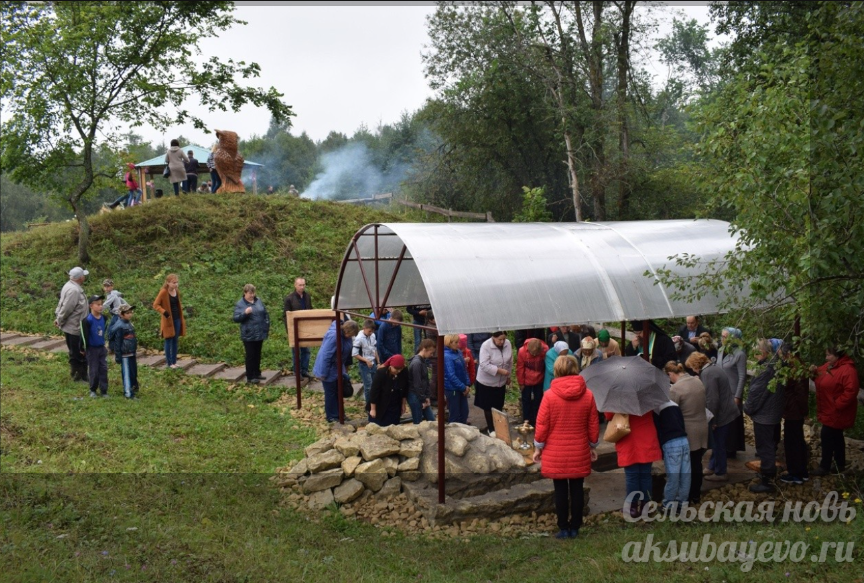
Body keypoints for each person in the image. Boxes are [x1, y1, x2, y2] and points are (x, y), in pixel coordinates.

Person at [533, 355, 599, 539]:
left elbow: (542, 425)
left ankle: (563, 527)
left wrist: (538, 447)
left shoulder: (549, 396)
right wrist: (593, 445)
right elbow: (593, 424)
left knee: (560, 490)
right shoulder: (588, 395)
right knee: (577, 489)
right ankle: (575, 526)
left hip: (556, 452)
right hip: (579, 449)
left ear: (557, 370)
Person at [686, 352, 740, 482]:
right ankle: (712, 466)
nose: (693, 370)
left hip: (723, 413)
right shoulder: (713, 368)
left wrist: (713, 420)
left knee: (719, 444)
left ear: (696, 365)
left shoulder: (708, 374)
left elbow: (712, 400)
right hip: (728, 410)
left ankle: (721, 472)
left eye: (692, 367)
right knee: (716, 442)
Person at [744, 338, 785, 493]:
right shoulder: (776, 365)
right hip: (773, 412)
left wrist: (747, 408)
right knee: (770, 444)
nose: (754, 355)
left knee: (764, 447)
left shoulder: (766, 370)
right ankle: (770, 475)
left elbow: (756, 394)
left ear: (764, 352)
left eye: (756, 352)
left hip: (765, 415)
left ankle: (767, 480)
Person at [606, 409, 662, 519]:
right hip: (647, 437)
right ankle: (646, 507)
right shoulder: (646, 396)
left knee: (632, 476)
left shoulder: (619, 399)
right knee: (645, 476)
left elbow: (608, 416)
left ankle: (632, 508)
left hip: (629, 439)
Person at [811, 346, 859, 476]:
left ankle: (825, 466)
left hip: (837, 410)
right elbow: (819, 377)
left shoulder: (848, 370)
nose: (826, 358)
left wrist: (837, 404)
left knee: (826, 435)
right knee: (837, 436)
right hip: (829, 408)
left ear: (837, 356)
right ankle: (839, 463)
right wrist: (813, 372)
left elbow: (851, 391)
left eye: (829, 355)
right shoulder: (829, 366)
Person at [666, 362, 708, 504]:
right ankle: (696, 494)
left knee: (687, 466)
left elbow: (671, 411)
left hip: (688, 430)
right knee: (697, 462)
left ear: (671, 374)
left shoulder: (676, 389)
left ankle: (686, 495)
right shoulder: (698, 381)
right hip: (702, 427)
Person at [313, 319, 360, 423]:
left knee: (339, 391)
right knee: (331, 393)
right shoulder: (334, 336)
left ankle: (340, 414)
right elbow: (326, 355)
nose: (351, 337)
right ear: (346, 331)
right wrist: (323, 373)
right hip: (328, 368)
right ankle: (332, 416)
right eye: (351, 335)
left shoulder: (344, 337)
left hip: (337, 367)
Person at [778, 343, 810, 484]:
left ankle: (795, 473)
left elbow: (800, 393)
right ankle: (802, 471)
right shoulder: (798, 366)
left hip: (793, 411)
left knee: (793, 442)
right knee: (798, 441)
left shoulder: (795, 369)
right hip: (794, 410)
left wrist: (803, 411)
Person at [653, 400, 691, 510]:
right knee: (685, 475)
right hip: (684, 441)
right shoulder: (674, 404)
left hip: (671, 443)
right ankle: (682, 502)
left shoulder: (656, 408)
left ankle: (668, 505)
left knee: (673, 477)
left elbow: (658, 431)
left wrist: (660, 450)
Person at [54, 266, 90, 382]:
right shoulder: (74, 290)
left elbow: (62, 304)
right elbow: (67, 308)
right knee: (78, 352)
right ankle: (80, 376)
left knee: (74, 351)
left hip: (72, 325)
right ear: (80, 278)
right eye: (83, 275)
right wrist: (59, 319)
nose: (84, 277)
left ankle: (76, 372)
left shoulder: (69, 285)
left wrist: (58, 317)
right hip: (75, 326)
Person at [717, 327, 747, 459]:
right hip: (721, 390)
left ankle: (732, 448)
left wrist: (738, 396)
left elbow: (742, 376)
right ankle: (723, 445)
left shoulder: (740, 354)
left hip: (733, 391)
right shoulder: (721, 350)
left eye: (725, 337)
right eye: (722, 336)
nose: (722, 339)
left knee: (733, 421)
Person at [475, 331, 513, 434]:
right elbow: (483, 364)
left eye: (503, 339)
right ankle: (491, 429)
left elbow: (510, 361)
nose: (502, 342)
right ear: (493, 337)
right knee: (488, 406)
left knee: (498, 405)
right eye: (499, 339)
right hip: (486, 382)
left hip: (501, 382)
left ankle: (498, 427)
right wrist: (499, 371)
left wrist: (508, 376)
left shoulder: (507, 343)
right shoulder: (486, 346)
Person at [233, 284, 270, 384]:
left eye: (253, 293)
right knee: (250, 355)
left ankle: (257, 373)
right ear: (245, 293)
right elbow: (236, 318)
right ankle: (250, 376)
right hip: (249, 334)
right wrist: (245, 313)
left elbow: (265, 313)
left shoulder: (258, 301)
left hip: (260, 332)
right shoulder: (240, 304)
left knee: (257, 354)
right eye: (250, 293)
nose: (252, 295)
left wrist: (266, 325)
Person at [152, 273, 186, 368]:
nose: (176, 284)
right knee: (168, 339)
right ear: (168, 283)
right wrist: (164, 312)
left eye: (177, 282)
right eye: (174, 282)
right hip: (168, 320)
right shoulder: (163, 292)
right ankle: (169, 363)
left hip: (177, 319)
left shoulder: (176, 291)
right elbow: (155, 305)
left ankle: (174, 361)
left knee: (175, 340)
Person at [284, 277, 313, 381]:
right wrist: (289, 330)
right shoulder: (289, 298)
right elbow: (286, 315)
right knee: (296, 352)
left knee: (306, 351)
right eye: (300, 285)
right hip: (295, 329)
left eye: (303, 285)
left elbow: (310, 310)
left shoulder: (307, 296)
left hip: (306, 328)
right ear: (295, 285)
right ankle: (297, 372)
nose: (302, 287)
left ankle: (304, 370)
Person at [368, 354, 409, 426]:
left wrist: (403, 404)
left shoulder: (404, 372)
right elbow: (374, 392)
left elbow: (405, 389)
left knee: (394, 426)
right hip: (381, 404)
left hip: (395, 404)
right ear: (390, 366)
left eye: (400, 369)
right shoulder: (381, 372)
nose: (398, 371)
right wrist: (373, 409)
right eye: (396, 369)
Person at [109, 304, 139, 399]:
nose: (130, 314)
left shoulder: (129, 323)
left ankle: (133, 388)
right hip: (125, 354)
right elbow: (118, 342)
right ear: (121, 315)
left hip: (131, 352)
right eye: (127, 313)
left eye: (131, 312)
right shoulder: (120, 326)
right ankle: (128, 393)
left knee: (133, 372)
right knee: (126, 373)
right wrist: (118, 356)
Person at [81, 294, 109, 398]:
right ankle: (93, 389)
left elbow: (103, 331)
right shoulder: (87, 320)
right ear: (91, 306)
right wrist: (83, 348)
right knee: (93, 369)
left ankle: (104, 390)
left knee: (103, 369)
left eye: (101, 304)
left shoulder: (104, 318)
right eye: (98, 304)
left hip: (101, 348)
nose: (100, 306)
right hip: (92, 349)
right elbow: (83, 335)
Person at [517, 338, 547, 426]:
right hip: (527, 380)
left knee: (538, 399)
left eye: (536, 354)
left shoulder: (545, 349)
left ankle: (537, 418)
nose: (534, 355)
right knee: (526, 399)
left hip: (540, 379)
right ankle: (526, 419)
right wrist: (521, 382)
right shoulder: (522, 351)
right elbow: (520, 368)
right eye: (532, 354)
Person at [443, 334, 471, 424]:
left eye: (458, 342)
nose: (458, 344)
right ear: (449, 343)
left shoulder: (458, 352)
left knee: (464, 412)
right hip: (452, 389)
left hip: (462, 387)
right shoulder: (446, 356)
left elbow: (464, 369)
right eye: (456, 342)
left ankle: (463, 429)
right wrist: (463, 387)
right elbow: (451, 375)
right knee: (455, 414)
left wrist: (467, 384)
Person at [407, 339, 436, 423]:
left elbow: (425, 381)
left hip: (421, 395)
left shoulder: (422, 361)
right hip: (415, 396)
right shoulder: (417, 363)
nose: (432, 355)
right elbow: (417, 384)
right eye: (431, 352)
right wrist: (423, 399)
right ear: (424, 349)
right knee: (418, 422)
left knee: (431, 420)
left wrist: (427, 396)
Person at [353, 319, 378, 404]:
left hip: (373, 362)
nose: (370, 333)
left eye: (372, 331)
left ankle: (375, 403)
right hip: (364, 364)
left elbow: (375, 349)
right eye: (369, 331)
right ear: (364, 328)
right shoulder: (359, 338)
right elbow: (355, 354)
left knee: (375, 385)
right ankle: (369, 405)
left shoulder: (373, 335)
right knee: (368, 386)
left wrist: (378, 362)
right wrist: (366, 361)